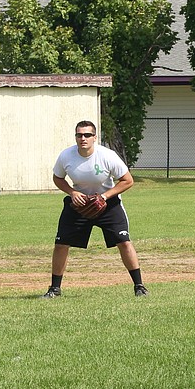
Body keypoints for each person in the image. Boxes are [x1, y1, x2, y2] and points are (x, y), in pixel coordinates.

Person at [42, 120, 147, 298]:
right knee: (61, 244)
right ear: (75, 137)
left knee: (124, 242)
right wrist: (72, 192)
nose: (83, 138)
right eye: (79, 135)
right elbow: (57, 178)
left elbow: (128, 180)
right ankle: (54, 289)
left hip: (108, 203)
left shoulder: (107, 155)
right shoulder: (66, 156)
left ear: (95, 137)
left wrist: (105, 196)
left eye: (87, 135)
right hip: (78, 203)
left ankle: (139, 286)